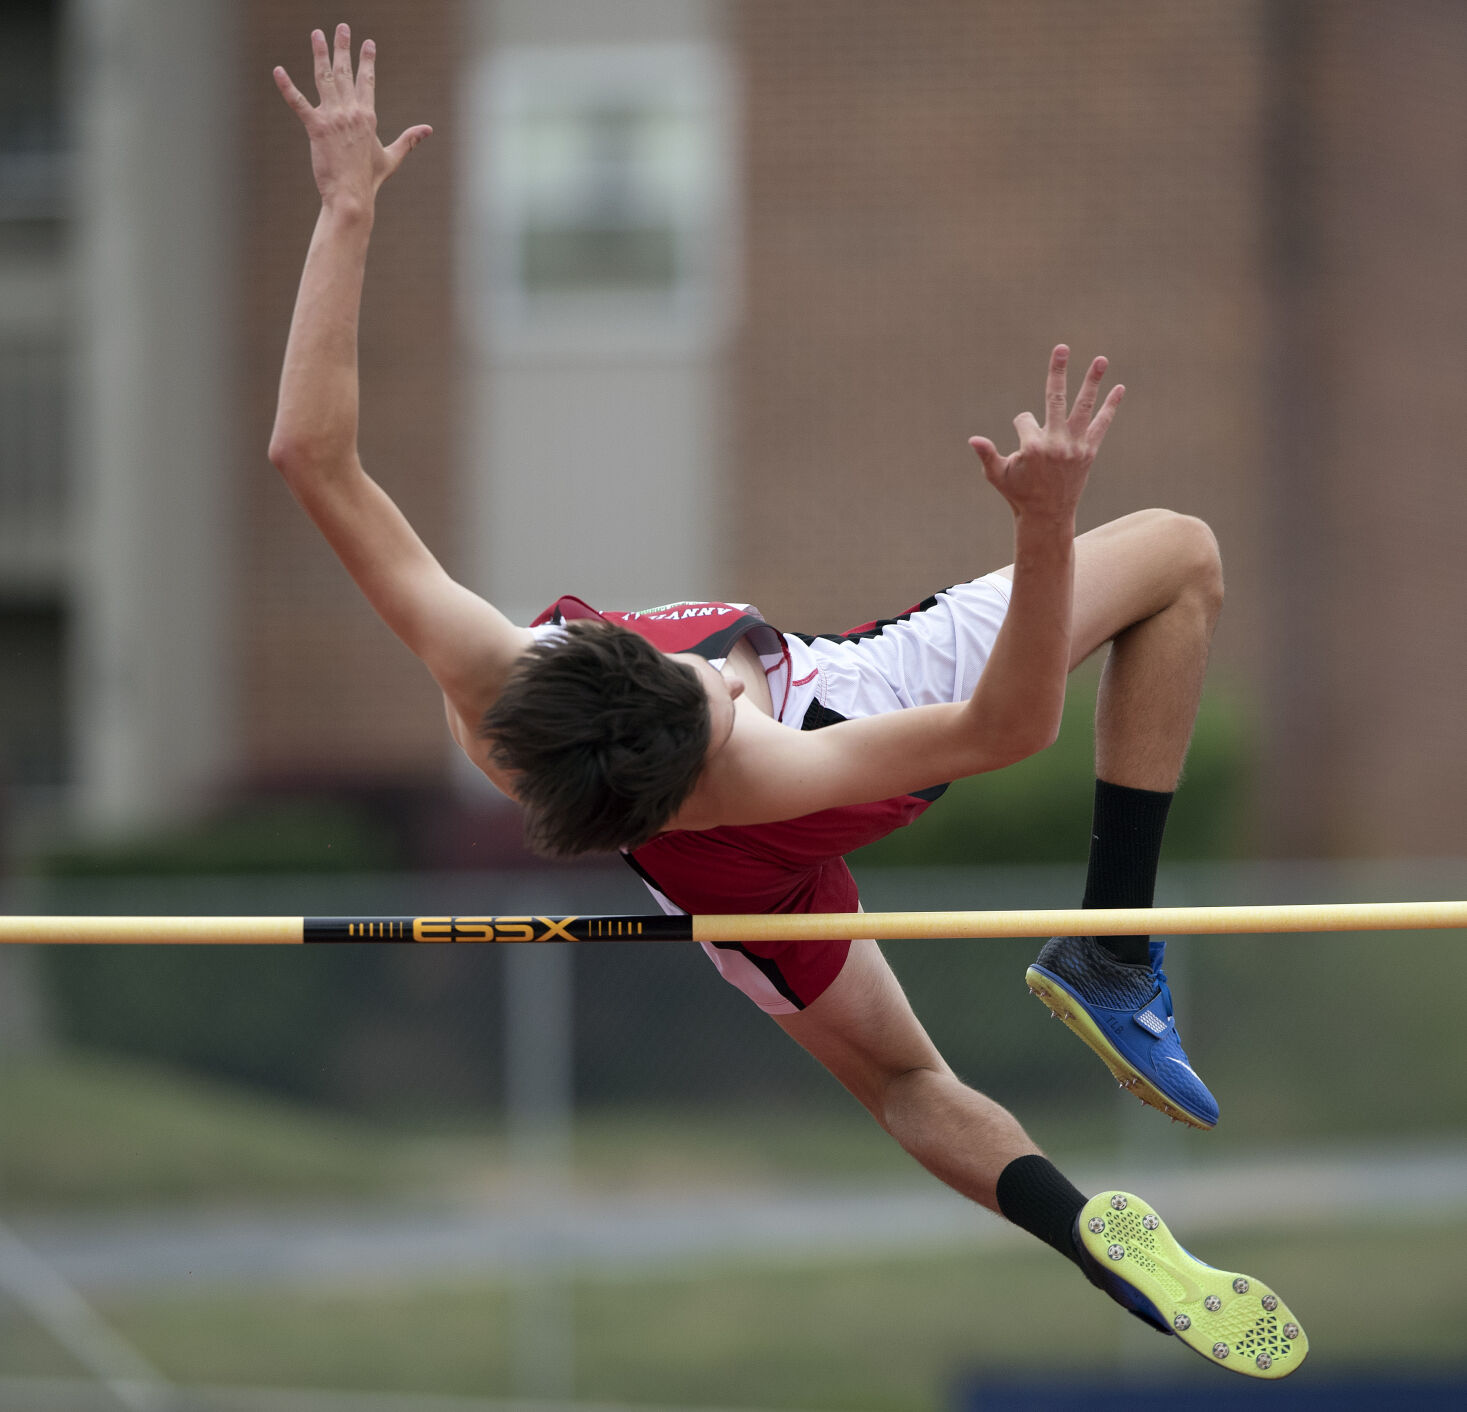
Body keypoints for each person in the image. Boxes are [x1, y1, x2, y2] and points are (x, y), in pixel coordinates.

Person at [268, 27, 1306, 1378]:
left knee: (903, 1083)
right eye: (715, 693)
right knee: (1179, 555)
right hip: (843, 716)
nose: (718, 675)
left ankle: (1079, 1230)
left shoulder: (485, 667)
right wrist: (1047, 532)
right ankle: (1112, 952)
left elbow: (311, 453)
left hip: (721, 895)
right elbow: (1006, 731)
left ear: (586, 659)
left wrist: (346, 208)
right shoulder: (762, 758)